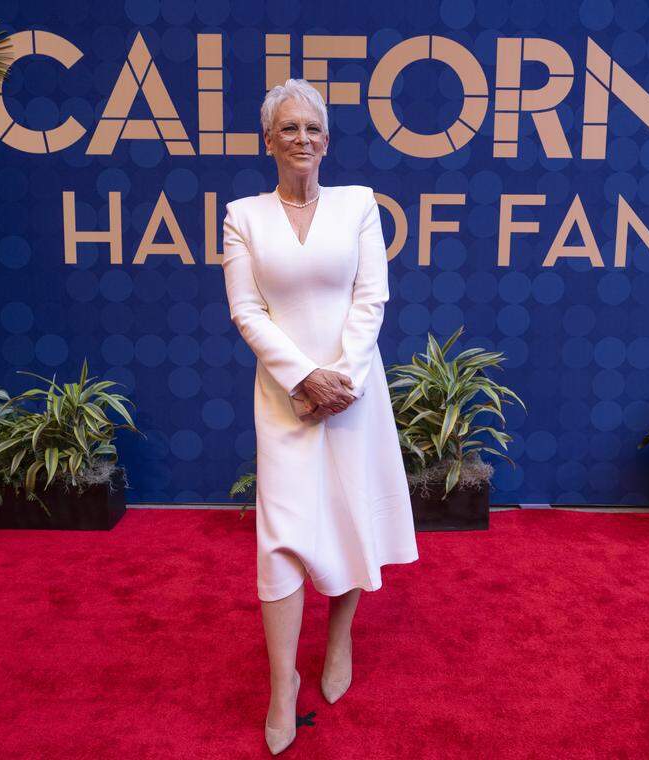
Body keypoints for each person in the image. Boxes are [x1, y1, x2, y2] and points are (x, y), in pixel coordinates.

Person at [219, 78, 420, 755]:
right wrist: (303, 378)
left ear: (326, 141)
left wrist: (341, 379)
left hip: (354, 392)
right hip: (285, 399)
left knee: (347, 514)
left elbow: (371, 298)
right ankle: (284, 683)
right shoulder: (243, 216)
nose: (301, 138)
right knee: (280, 538)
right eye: (289, 128)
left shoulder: (358, 205)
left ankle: (339, 640)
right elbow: (247, 310)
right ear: (268, 140)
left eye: (312, 128)